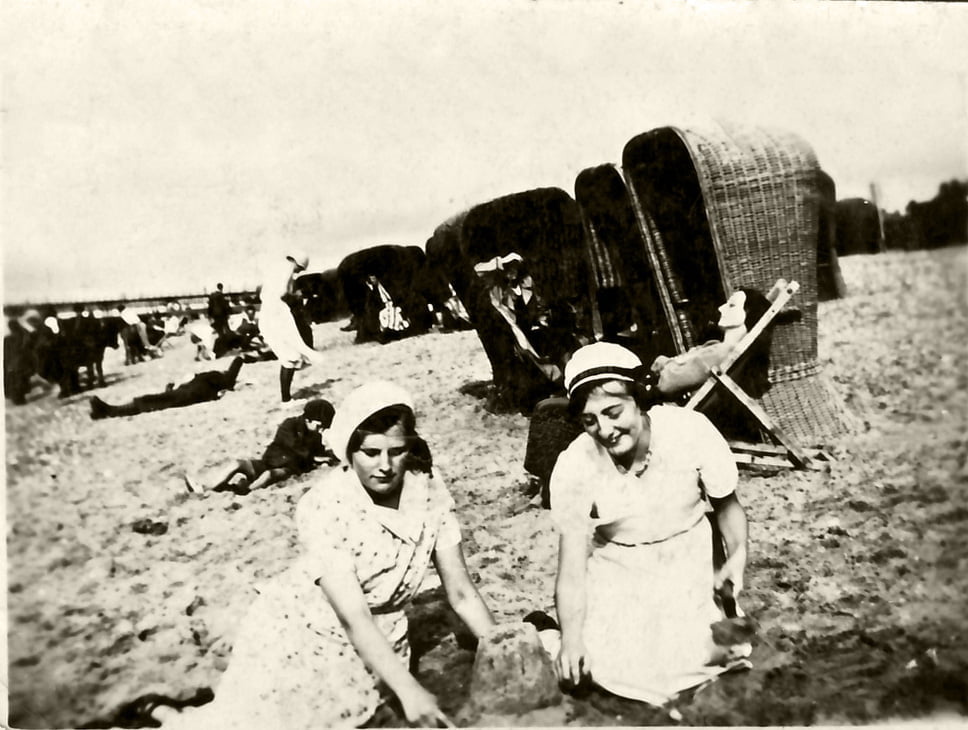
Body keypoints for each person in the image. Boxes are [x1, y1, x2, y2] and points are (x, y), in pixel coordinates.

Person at [153, 381, 497, 729]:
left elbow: (461, 592)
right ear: (349, 451)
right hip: (305, 633)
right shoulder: (324, 505)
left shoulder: (428, 486)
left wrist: (505, 648)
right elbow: (354, 617)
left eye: (396, 451)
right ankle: (165, 713)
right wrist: (409, 691)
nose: (385, 466)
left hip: (383, 643)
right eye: (370, 452)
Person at [546, 341, 752, 706]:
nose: (605, 430)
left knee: (705, 659)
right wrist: (572, 638)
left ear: (639, 400)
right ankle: (548, 631)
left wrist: (736, 557)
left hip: (687, 561)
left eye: (613, 412)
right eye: (589, 420)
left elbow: (727, 507)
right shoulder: (575, 464)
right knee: (611, 670)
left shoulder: (690, 430)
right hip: (620, 570)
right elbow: (572, 569)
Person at [184, 398, 338, 494]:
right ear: (308, 420)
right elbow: (295, 447)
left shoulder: (315, 435)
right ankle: (208, 487)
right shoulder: (289, 425)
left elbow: (316, 454)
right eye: (320, 426)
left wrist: (322, 458)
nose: (322, 430)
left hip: (287, 468)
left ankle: (244, 491)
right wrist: (315, 457)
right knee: (237, 463)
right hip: (268, 462)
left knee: (270, 475)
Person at [650, 287, 773, 399]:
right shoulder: (721, 349)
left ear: (746, 315)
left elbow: (667, 383)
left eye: (731, 305)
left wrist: (663, 362)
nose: (721, 308)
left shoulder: (721, 353)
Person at [258, 250, 326, 402]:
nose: (298, 272)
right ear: (297, 262)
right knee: (291, 356)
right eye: (300, 269)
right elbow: (283, 293)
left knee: (290, 355)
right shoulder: (287, 268)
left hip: (269, 313)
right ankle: (286, 400)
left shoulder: (276, 267)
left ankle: (286, 398)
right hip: (277, 313)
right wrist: (297, 296)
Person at [89, 357, 244, 419]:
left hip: (191, 393)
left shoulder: (220, 378)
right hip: (187, 392)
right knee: (156, 399)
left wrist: (239, 360)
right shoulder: (213, 377)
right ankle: (107, 411)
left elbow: (230, 379)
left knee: (153, 401)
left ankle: (110, 411)